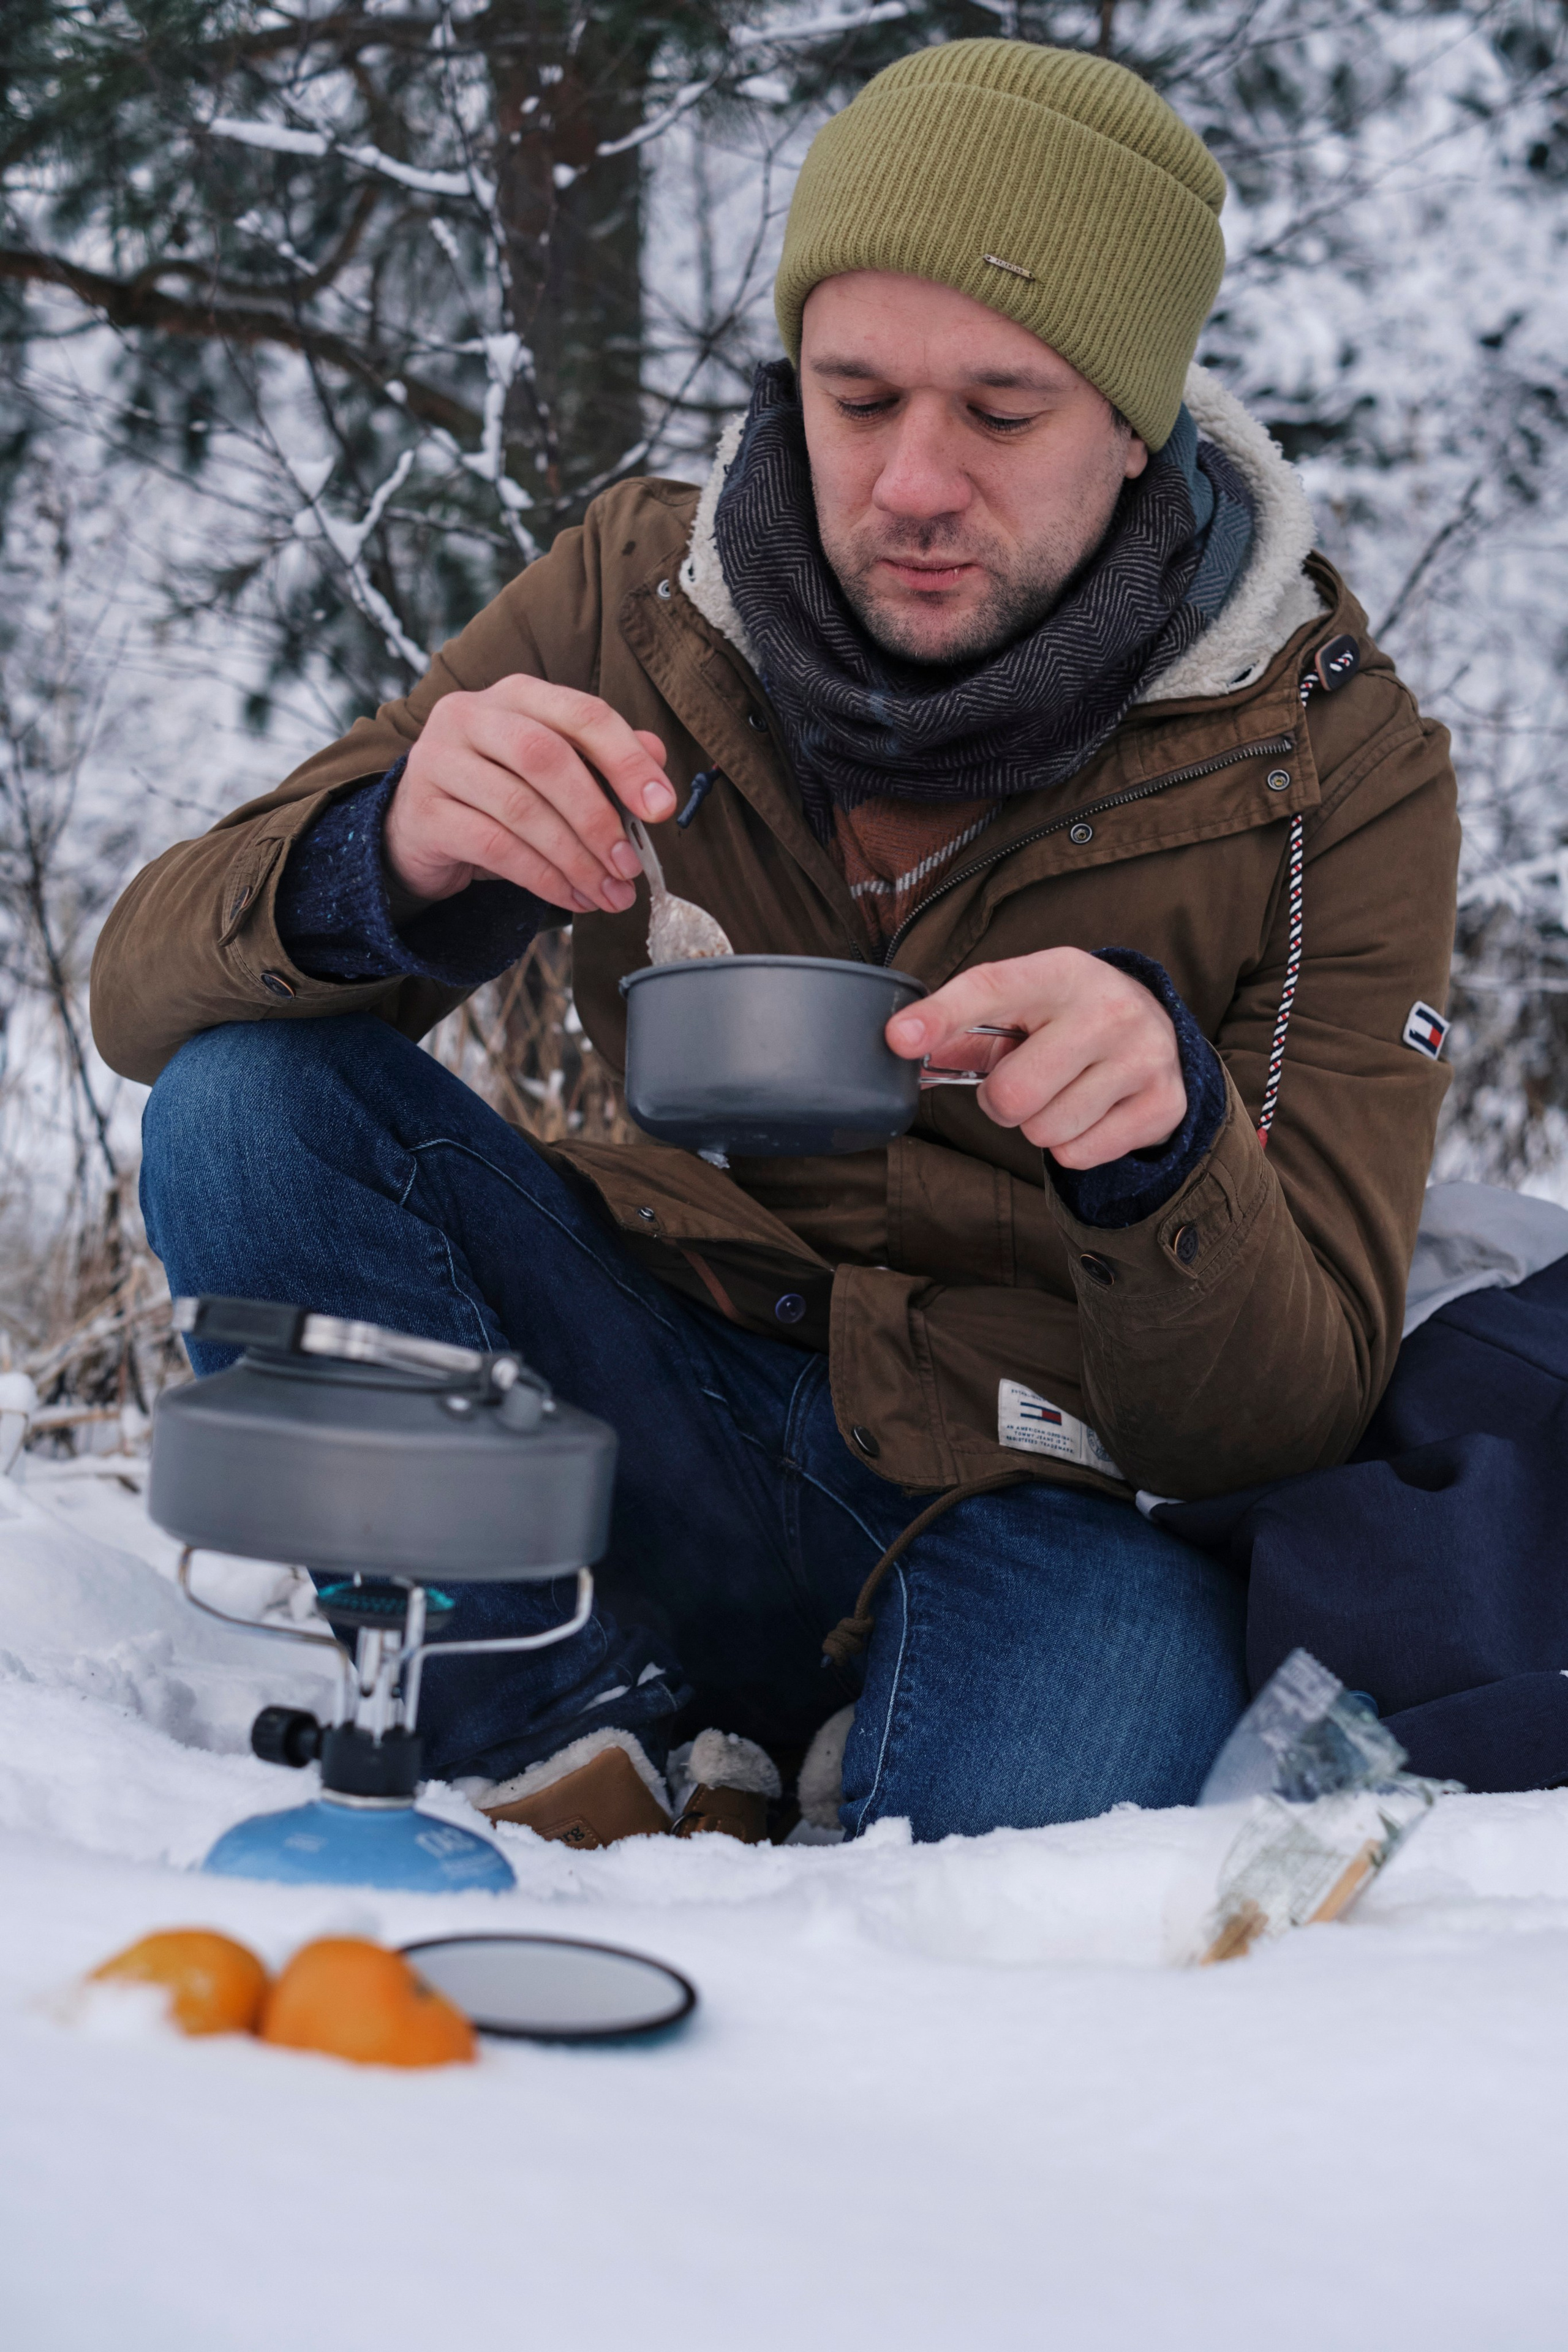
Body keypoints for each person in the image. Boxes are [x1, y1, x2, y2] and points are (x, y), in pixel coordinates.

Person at [91, 40, 1459, 1849]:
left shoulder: (1330, 766)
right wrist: (392, 857)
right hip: (654, 1363)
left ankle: (779, 1733)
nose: (909, 483)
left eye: (1000, 411)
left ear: (1133, 423)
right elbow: (142, 996)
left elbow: (1284, 1424)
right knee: (252, 1097)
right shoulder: (633, 600)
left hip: (1031, 1487)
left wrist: (1165, 1153)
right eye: (857, 394)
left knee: (1040, 1822)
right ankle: (560, 1699)